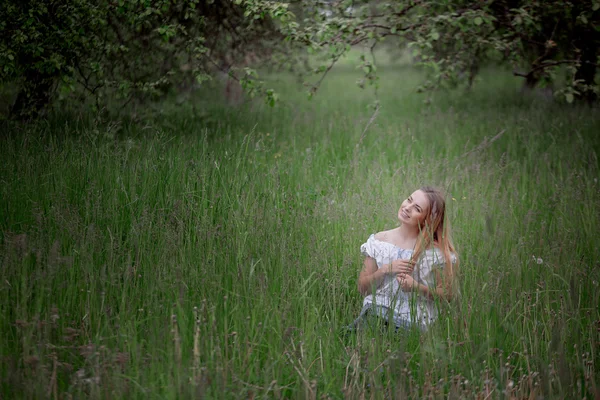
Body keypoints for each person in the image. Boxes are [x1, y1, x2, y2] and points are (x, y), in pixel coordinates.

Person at [350, 186, 458, 332]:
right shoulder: (379, 241)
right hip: (376, 311)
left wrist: (416, 287)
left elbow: (447, 295)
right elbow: (362, 288)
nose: (407, 207)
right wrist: (385, 270)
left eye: (417, 208)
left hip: (415, 320)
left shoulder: (435, 253)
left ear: (428, 219)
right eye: (409, 200)